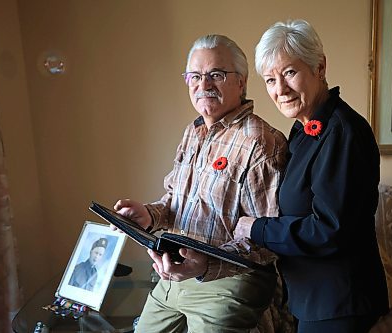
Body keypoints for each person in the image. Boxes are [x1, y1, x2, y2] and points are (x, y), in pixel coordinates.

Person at [114, 34, 290, 333]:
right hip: (175, 277)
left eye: (216, 75)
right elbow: (175, 200)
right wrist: (149, 214)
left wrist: (206, 265)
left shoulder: (261, 141)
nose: (204, 85)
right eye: (195, 76)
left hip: (230, 282)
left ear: (241, 82)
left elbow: (269, 241)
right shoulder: (193, 132)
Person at [233, 19, 389, 333]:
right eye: (270, 79)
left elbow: (329, 229)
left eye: (290, 72)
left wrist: (258, 228)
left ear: (320, 67)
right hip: (313, 297)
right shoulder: (303, 130)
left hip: (338, 302)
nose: (280, 90)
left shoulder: (342, 132)